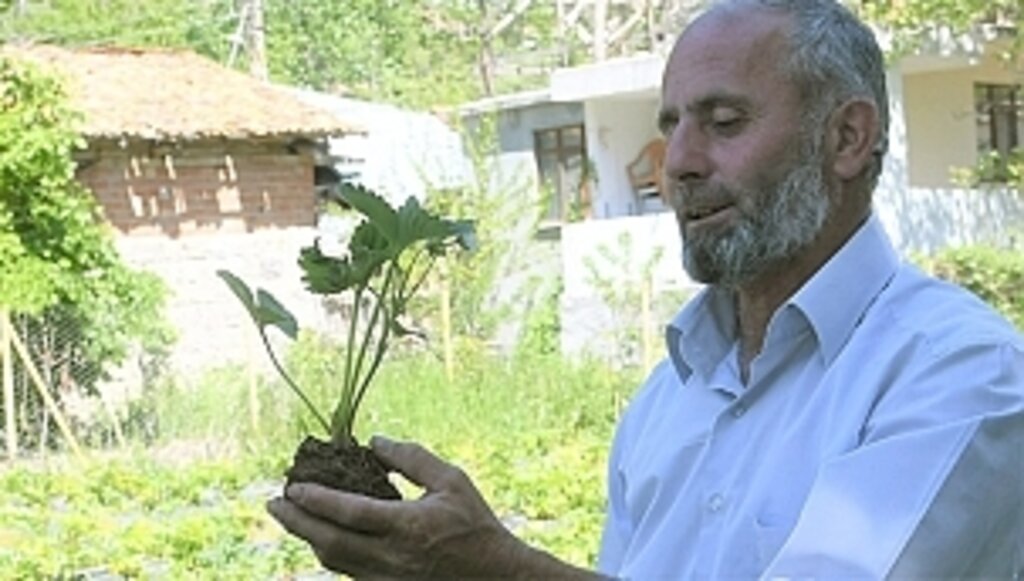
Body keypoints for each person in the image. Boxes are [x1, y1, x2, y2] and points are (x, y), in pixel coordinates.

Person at [268, 0, 1024, 578]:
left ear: (847, 138)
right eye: (672, 125)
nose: (678, 163)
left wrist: (497, 569)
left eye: (724, 122)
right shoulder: (672, 394)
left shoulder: (958, 374)